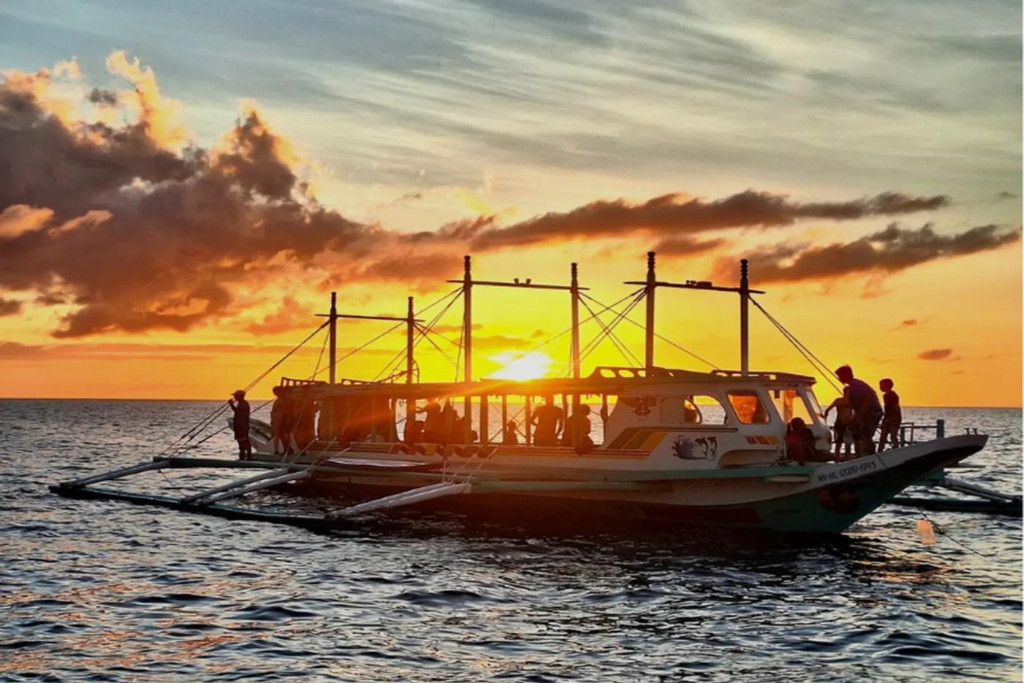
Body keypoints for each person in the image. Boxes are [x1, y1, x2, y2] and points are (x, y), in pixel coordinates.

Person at [835, 365, 883, 456]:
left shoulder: (854, 385)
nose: (838, 379)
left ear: (845, 376)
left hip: (871, 412)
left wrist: (859, 415)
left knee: (866, 435)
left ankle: (872, 455)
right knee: (859, 433)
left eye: (839, 376)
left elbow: (867, 399)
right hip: (869, 412)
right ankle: (863, 454)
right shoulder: (855, 384)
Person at [823, 395, 854, 460]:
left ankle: (847, 457)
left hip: (849, 424)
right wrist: (825, 420)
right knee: (838, 442)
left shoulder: (853, 401)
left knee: (847, 442)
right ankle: (837, 458)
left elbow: (857, 411)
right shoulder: (838, 400)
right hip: (839, 423)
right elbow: (828, 410)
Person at [878, 378, 902, 451]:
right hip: (888, 418)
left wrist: (897, 418)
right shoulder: (886, 396)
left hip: (892, 419)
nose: (880, 387)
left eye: (881, 386)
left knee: (892, 436)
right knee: (883, 437)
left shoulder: (892, 395)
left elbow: (896, 407)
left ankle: (896, 450)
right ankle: (880, 451)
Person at [228, 389, 252, 460]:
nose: (234, 397)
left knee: (244, 440)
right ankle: (243, 456)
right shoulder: (241, 403)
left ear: (240, 396)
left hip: (242, 425)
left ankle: (247, 457)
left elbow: (238, 412)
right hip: (240, 425)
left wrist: (231, 405)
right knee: (240, 441)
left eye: (235, 396)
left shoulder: (243, 404)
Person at [269, 386, 293, 456]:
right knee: (280, 435)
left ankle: (288, 449)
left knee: (284, 435)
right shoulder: (279, 400)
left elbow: (287, 411)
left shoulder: (284, 401)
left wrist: (288, 420)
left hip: (283, 420)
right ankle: (287, 449)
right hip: (278, 421)